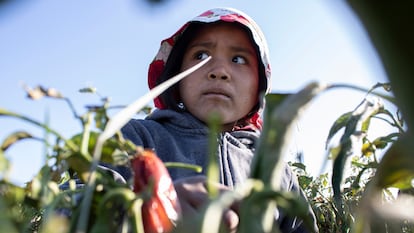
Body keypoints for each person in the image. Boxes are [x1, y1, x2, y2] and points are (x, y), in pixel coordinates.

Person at [119, 7, 318, 233]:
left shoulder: (277, 171)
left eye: (238, 59)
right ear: (176, 76)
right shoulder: (136, 137)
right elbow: (79, 201)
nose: (219, 71)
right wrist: (154, 207)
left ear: (259, 87)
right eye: (201, 55)